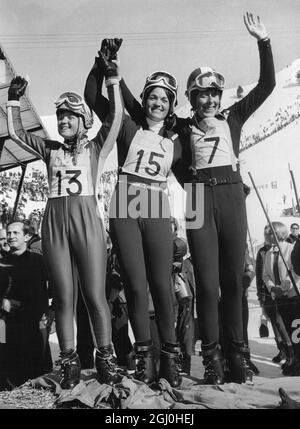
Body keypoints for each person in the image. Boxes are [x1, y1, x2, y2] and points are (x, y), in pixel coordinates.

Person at [6, 60, 123, 389]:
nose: (63, 120)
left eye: (70, 115)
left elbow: (114, 120)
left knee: (95, 296)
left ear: (84, 121)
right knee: (64, 298)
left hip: (87, 221)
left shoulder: (96, 147)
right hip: (54, 224)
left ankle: (105, 357)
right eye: (60, 116)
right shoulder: (50, 149)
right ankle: (69, 360)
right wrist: (13, 99)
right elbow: (16, 132)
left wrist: (112, 77)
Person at [182, 12, 275, 384]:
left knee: (233, 280)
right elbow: (150, 129)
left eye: (213, 93)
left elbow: (267, 86)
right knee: (205, 283)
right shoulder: (181, 127)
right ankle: (211, 357)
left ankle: (238, 355)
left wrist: (263, 42)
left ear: (220, 96)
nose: (208, 100)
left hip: (232, 196)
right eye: (201, 93)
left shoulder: (232, 117)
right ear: (192, 97)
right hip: (196, 198)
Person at [84, 42, 183, 387]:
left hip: (157, 203)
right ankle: (144, 355)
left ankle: (170, 354)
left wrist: (192, 224)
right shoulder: (127, 126)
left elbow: (192, 177)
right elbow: (94, 96)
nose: (158, 103)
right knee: (136, 286)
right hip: (125, 200)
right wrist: (102, 64)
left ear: (172, 105)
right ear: (144, 99)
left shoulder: (178, 136)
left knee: (162, 284)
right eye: (152, 97)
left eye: (164, 98)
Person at [0, 221, 52, 389]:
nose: (11, 236)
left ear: (27, 236)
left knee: (39, 371)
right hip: (10, 324)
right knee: (12, 374)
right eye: (9, 233)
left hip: (36, 323)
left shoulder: (39, 261)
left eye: (16, 233)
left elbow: (57, 286)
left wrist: (53, 309)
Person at [263, 221, 300, 375]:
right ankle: (294, 359)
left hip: (293, 295)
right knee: (285, 327)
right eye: (267, 233)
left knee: (296, 330)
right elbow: (265, 274)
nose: (268, 235)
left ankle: (298, 361)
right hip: (279, 298)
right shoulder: (268, 253)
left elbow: (296, 271)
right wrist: (272, 288)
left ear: (279, 233)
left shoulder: (290, 249)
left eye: (271, 232)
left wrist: (283, 287)